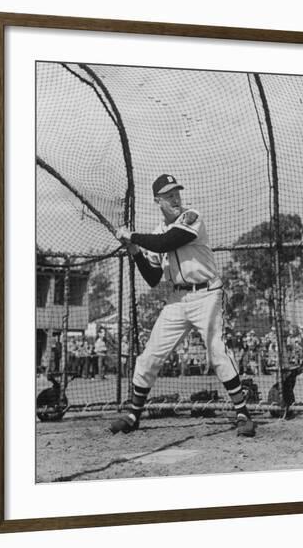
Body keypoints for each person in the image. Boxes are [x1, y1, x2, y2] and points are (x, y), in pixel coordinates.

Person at [110, 173, 255, 437]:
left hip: (207, 293)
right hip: (177, 298)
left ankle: (243, 412)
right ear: (158, 201)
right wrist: (135, 253)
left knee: (217, 352)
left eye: (176, 193)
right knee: (149, 355)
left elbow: (170, 241)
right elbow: (153, 278)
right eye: (168, 195)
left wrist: (132, 235)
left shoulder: (191, 217)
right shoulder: (155, 233)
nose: (175, 198)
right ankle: (133, 415)